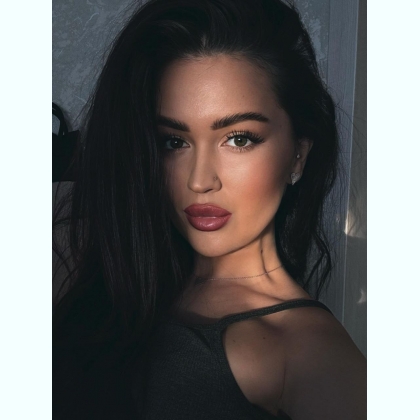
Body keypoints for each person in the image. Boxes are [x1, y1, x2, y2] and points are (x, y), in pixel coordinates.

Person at [52, 0, 367, 419]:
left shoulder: (310, 354)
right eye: (173, 142)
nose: (200, 181)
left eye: (239, 139)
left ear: (298, 155)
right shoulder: (116, 276)